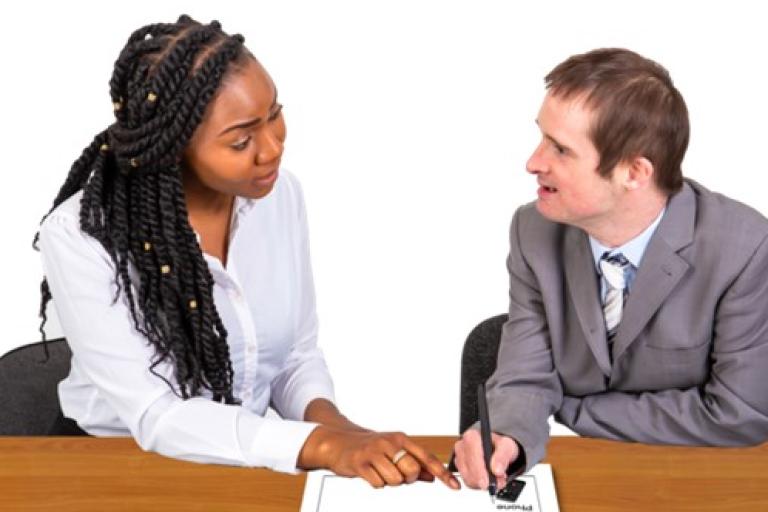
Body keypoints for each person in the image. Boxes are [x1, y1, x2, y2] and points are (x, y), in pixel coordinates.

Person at [34, 14, 459, 490]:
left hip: (249, 462)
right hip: (113, 469)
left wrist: (346, 433)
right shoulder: (84, 235)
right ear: (173, 149)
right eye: (241, 140)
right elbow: (156, 414)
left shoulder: (278, 196)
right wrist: (319, 445)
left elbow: (294, 356)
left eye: (275, 114)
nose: (273, 148)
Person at [454, 47, 768, 490]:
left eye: (561, 149)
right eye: (542, 137)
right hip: (588, 479)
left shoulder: (744, 249)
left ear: (634, 172)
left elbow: (740, 415)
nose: (533, 162)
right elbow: (526, 373)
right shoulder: (534, 231)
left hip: (695, 482)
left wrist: (570, 409)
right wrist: (511, 434)